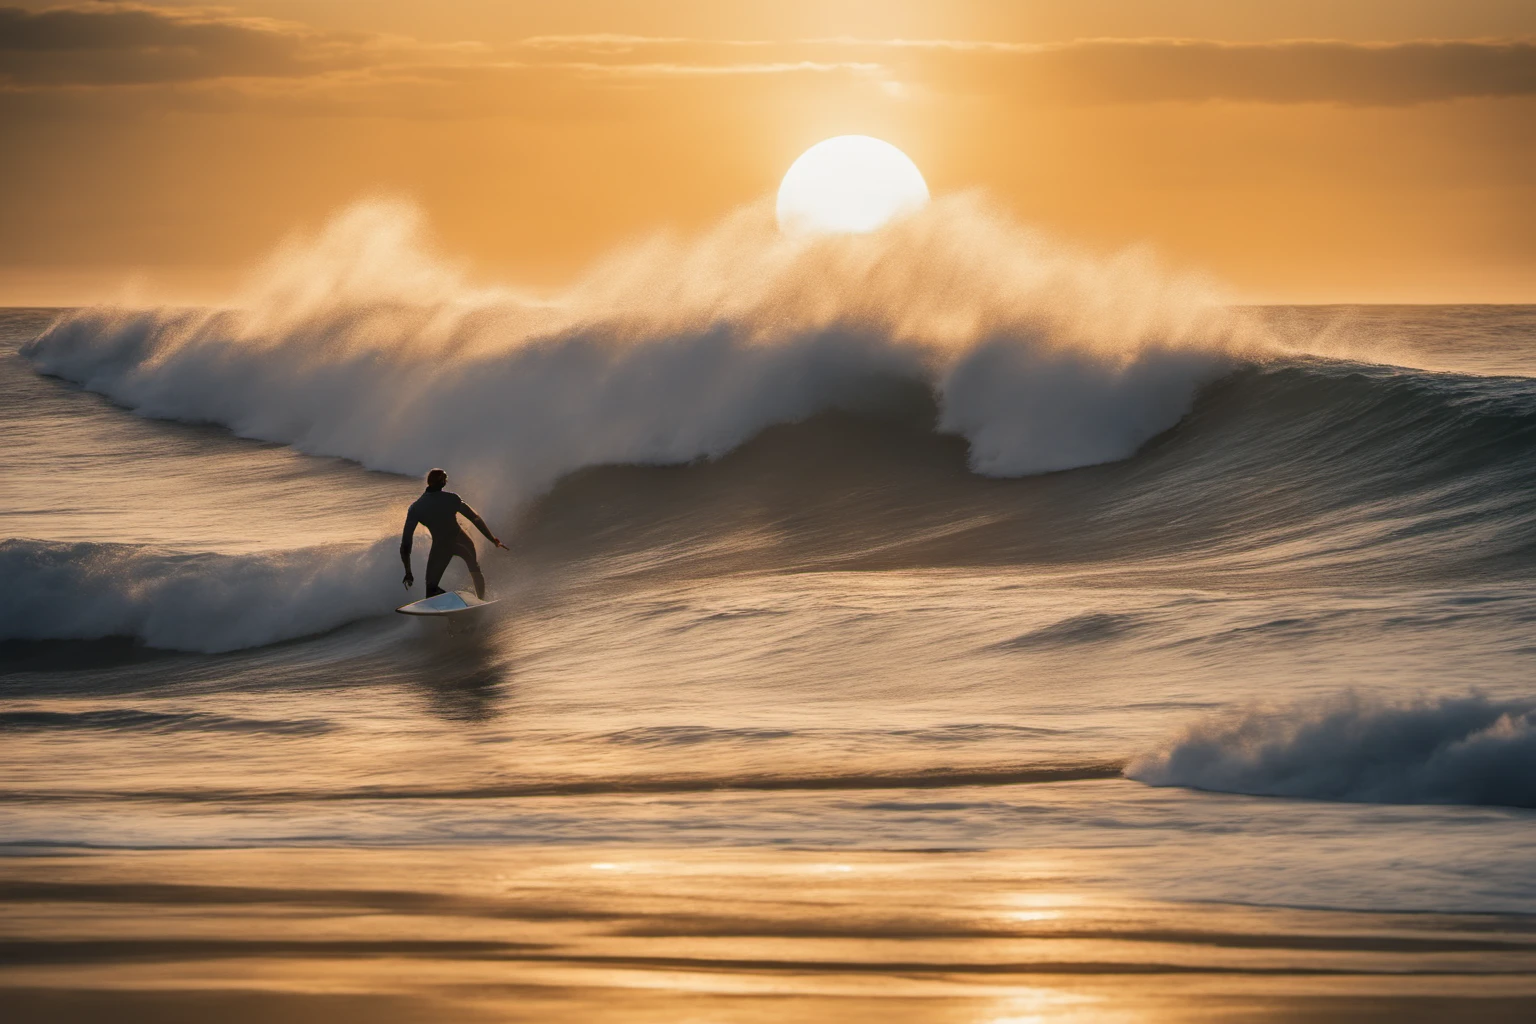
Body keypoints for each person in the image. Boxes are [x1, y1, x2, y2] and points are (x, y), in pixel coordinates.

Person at [400, 469, 507, 599]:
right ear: (443, 482)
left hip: (441, 547)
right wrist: (492, 539)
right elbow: (474, 518)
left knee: (431, 590)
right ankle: (477, 600)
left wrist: (408, 572)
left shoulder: (416, 508)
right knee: (474, 567)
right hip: (461, 541)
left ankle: (464, 602)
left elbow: (406, 543)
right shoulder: (452, 499)